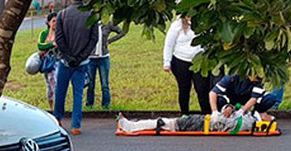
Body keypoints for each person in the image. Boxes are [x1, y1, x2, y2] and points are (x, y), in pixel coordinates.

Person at [53, 0, 98, 135]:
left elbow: (59, 39)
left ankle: (57, 119)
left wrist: (69, 57)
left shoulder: (62, 14)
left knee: (60, 91)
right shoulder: (91, 15)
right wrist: (81, 57)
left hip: (65, 61)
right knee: (78, 93)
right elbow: (93, 39)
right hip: (82, 61)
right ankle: (75, 126)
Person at [163, 17, 211, 115]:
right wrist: (166, 62)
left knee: (202, 89)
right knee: (184, 89)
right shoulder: (177, 24)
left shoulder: (202, 21)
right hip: (181, 61)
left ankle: (207, 115)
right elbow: (169, 44)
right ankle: (185, 114)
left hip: (200, 61)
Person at [117, 106, 274, 134]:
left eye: (268, 116)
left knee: (167, 123)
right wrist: (229, 107)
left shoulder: (248, 122)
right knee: (169, 122)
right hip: (205, 120)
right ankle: (132, 125)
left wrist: (217, 116)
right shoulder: (248, 118)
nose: (267, 113)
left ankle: (130, 126)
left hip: (206, 123)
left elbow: (227, 124)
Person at [85, 20, 124, 109]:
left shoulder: (108, 23)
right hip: (91, 58)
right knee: (90, 84)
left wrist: (109, 41)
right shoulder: (89, 23)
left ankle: (106, 105)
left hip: (104, 58)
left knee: (105, 84)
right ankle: (89, 105)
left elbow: (121, 32)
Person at [209, 75, 278, 120]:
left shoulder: (258, 81)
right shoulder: (232, 77)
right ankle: (224, 114)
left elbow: (254, 98)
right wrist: (214, 111)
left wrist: (242, 111)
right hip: (231, 100)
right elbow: (213, 93)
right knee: (219, 100)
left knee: (270, 98)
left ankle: (258, 113)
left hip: (247, 100)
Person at [37, 12, 58, 110]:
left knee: (55, 86)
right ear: (48, 22)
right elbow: (40, 46)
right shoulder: (44, 33)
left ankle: (58, 111)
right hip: (46, 63)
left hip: (56, 63)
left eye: (57, 21)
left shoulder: (60, 32)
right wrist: (52, 44)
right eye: (53, 21)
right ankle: (51, 108)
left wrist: (48, 45)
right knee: (49, 87)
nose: (55, 23)